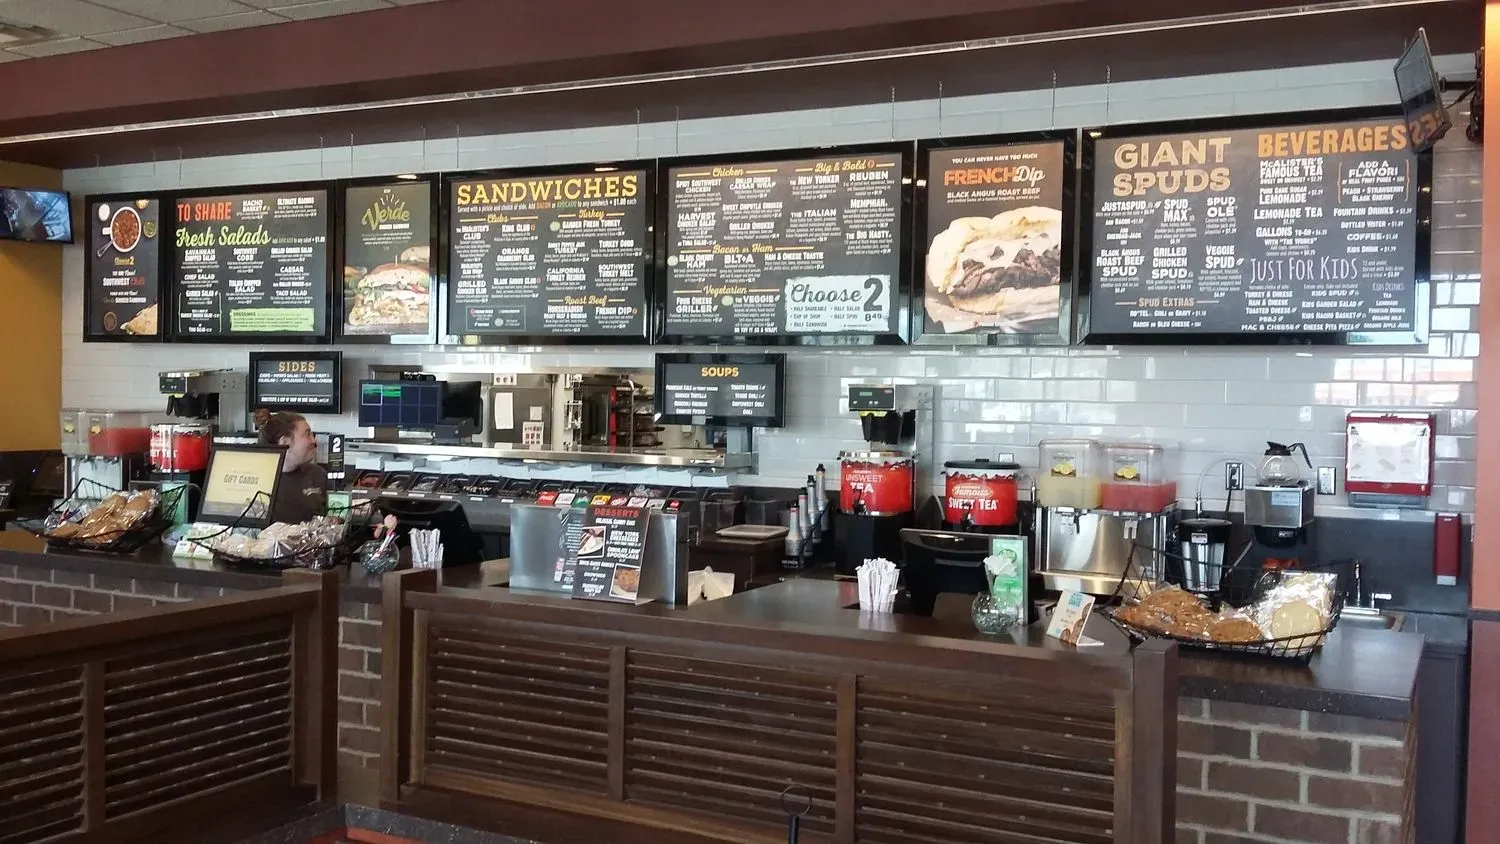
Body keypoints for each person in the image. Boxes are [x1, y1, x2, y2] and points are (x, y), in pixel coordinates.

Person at [258, 412, 328, 525]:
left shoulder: (318, 475)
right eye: (307, 435)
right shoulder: (258, 481)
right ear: (285, 442)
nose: (313, 441)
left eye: (312, 435)